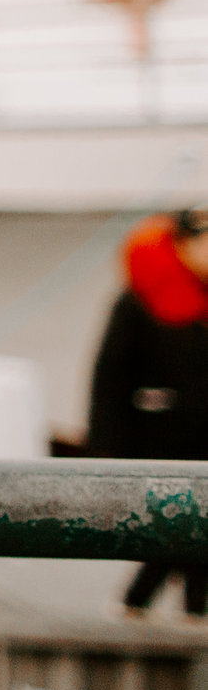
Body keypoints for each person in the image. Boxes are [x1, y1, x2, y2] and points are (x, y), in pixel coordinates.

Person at [87, 208, 208, 618]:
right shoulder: (141, 298)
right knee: (180, 536)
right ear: (183, 243)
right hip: (158, 443)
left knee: (191, 540)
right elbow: (109, 379)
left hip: (201, 442)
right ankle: (147, 610)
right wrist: (105, 456)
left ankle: (152, 611)